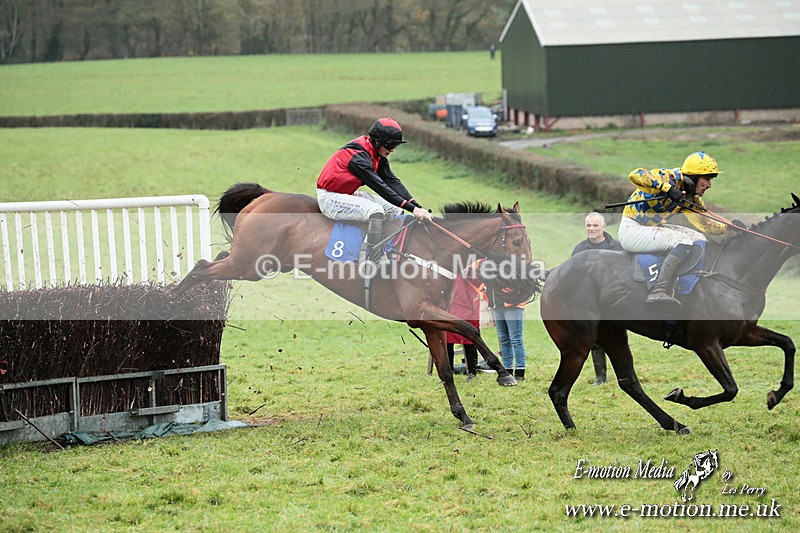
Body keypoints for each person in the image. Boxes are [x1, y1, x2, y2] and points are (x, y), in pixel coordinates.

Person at [618, 151, 729, 304]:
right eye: (706, 179)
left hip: (651, 228)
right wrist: (668, 189)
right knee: (682, 240)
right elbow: (635, 174)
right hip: (632, 229)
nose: (709, 185)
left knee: (698, 238)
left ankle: (686, 282)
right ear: (693, 177)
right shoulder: (667, 177)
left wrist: (727, 228)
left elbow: (706, 225)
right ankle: (658, 290)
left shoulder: (691, 199)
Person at [316, 118, 433, 261]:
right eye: (390, 145)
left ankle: (394, 250)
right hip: (330, 198)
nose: (392, 150)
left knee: (395, 209)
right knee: (375, 211)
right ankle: (373, 259)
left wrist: (417, 207)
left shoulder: (376, 153)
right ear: (377, 141)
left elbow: (392, 181)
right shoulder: (358, 157)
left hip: (348, 195)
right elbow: (381, 187)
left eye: (395, 145)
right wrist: (412, 209)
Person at [571, 212, 623, 384]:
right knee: (595, 339)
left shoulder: (617, 247)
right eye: (589, 226)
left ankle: (625, 375)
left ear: (603, 227)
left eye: (595, 225)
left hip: (615, 301)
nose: (591, 229)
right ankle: (600, 377)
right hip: (591, 303)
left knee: (618, 339)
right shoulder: (579, 250)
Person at [445, 264, 484, 381]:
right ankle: (448, 370)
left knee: (470, 341)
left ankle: (472, 372)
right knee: (447, 342)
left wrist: (466, 270)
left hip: (468, 307)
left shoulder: (475, 262)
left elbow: (479, 279)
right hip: (451, 306)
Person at [489, 286, 527, 380]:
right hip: (497, 305)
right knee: (503, 339)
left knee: (516, 339)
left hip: (513, 306)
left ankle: (519, 372)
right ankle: (507, 370)